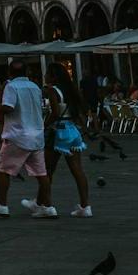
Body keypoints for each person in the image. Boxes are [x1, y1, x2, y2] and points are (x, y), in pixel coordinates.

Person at [0, 60, 55, 220]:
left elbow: (9, 107)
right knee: (42, 174)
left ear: (10, 73)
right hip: (36, 136)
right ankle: (48, 206)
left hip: (17, 135)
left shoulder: (11, 86)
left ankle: (2, 205)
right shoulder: (35, 87)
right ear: (27, 72)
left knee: (3, 171)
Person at [44, 70, 93, 218]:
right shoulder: (72, 91)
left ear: (54, 76)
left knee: (48, 170)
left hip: (58, 131)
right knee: (77, 170)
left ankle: (47, 205)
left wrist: (43, 126)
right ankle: (85, 206)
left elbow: (54, 114)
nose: (45, 76)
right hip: (73, 130)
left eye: (48, 73)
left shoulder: (53, 91)